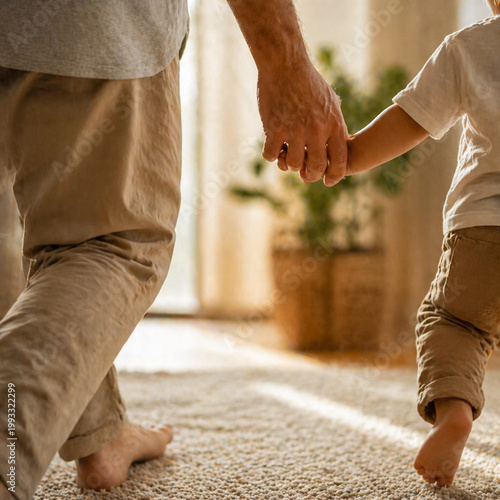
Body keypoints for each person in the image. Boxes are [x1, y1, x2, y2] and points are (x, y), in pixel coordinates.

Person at [0, 1, 347, 499]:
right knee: (109, 246)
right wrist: (285, 62)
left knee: (57, 231)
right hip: (86, 21)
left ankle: (100, 434)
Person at [344, 0, 500, 488]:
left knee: (454, 321)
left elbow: (406, 120)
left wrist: (345, 158)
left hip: (483, 232)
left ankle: (454, 412)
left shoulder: (471, 46)